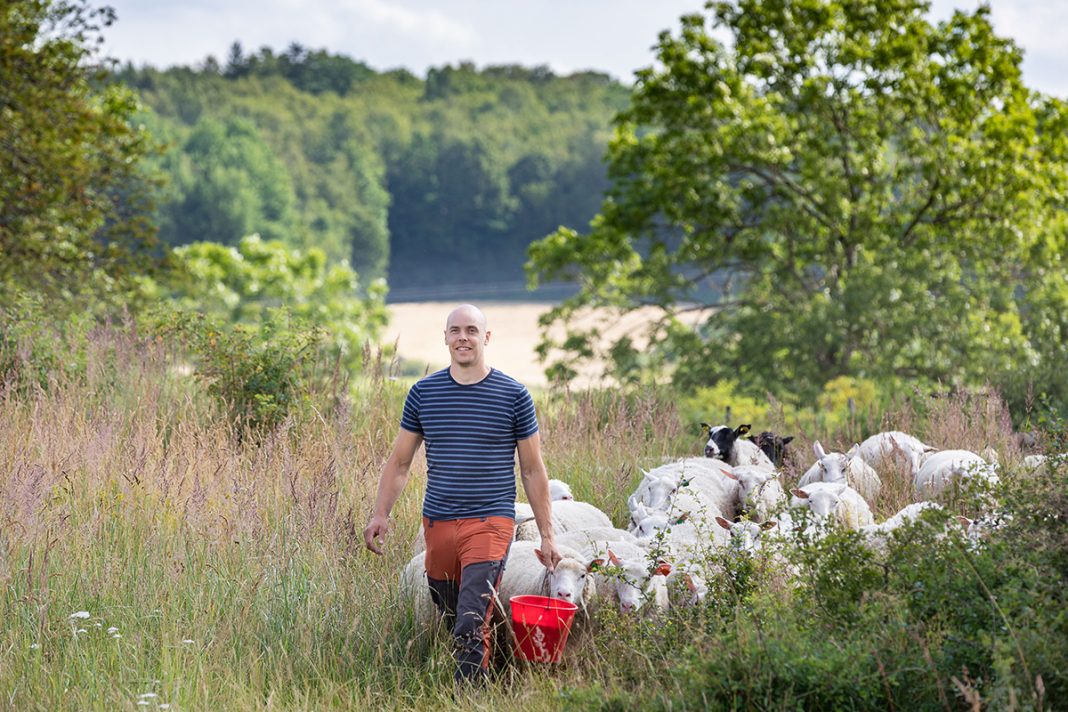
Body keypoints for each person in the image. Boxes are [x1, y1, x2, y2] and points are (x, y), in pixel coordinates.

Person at [363, 303, 560, 684]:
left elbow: (533, 470)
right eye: (455, 330)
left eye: (471, 330)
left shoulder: (514, 395)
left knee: (470, 619)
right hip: (438, 522)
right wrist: (380, 514)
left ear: (486, 338)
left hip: (491, 520)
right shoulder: (423, 393)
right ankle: (499, 655)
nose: (463, 337)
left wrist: (548, 534)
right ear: (446, 338)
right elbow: (400, 463)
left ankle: (469, 696)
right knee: (453, 610)